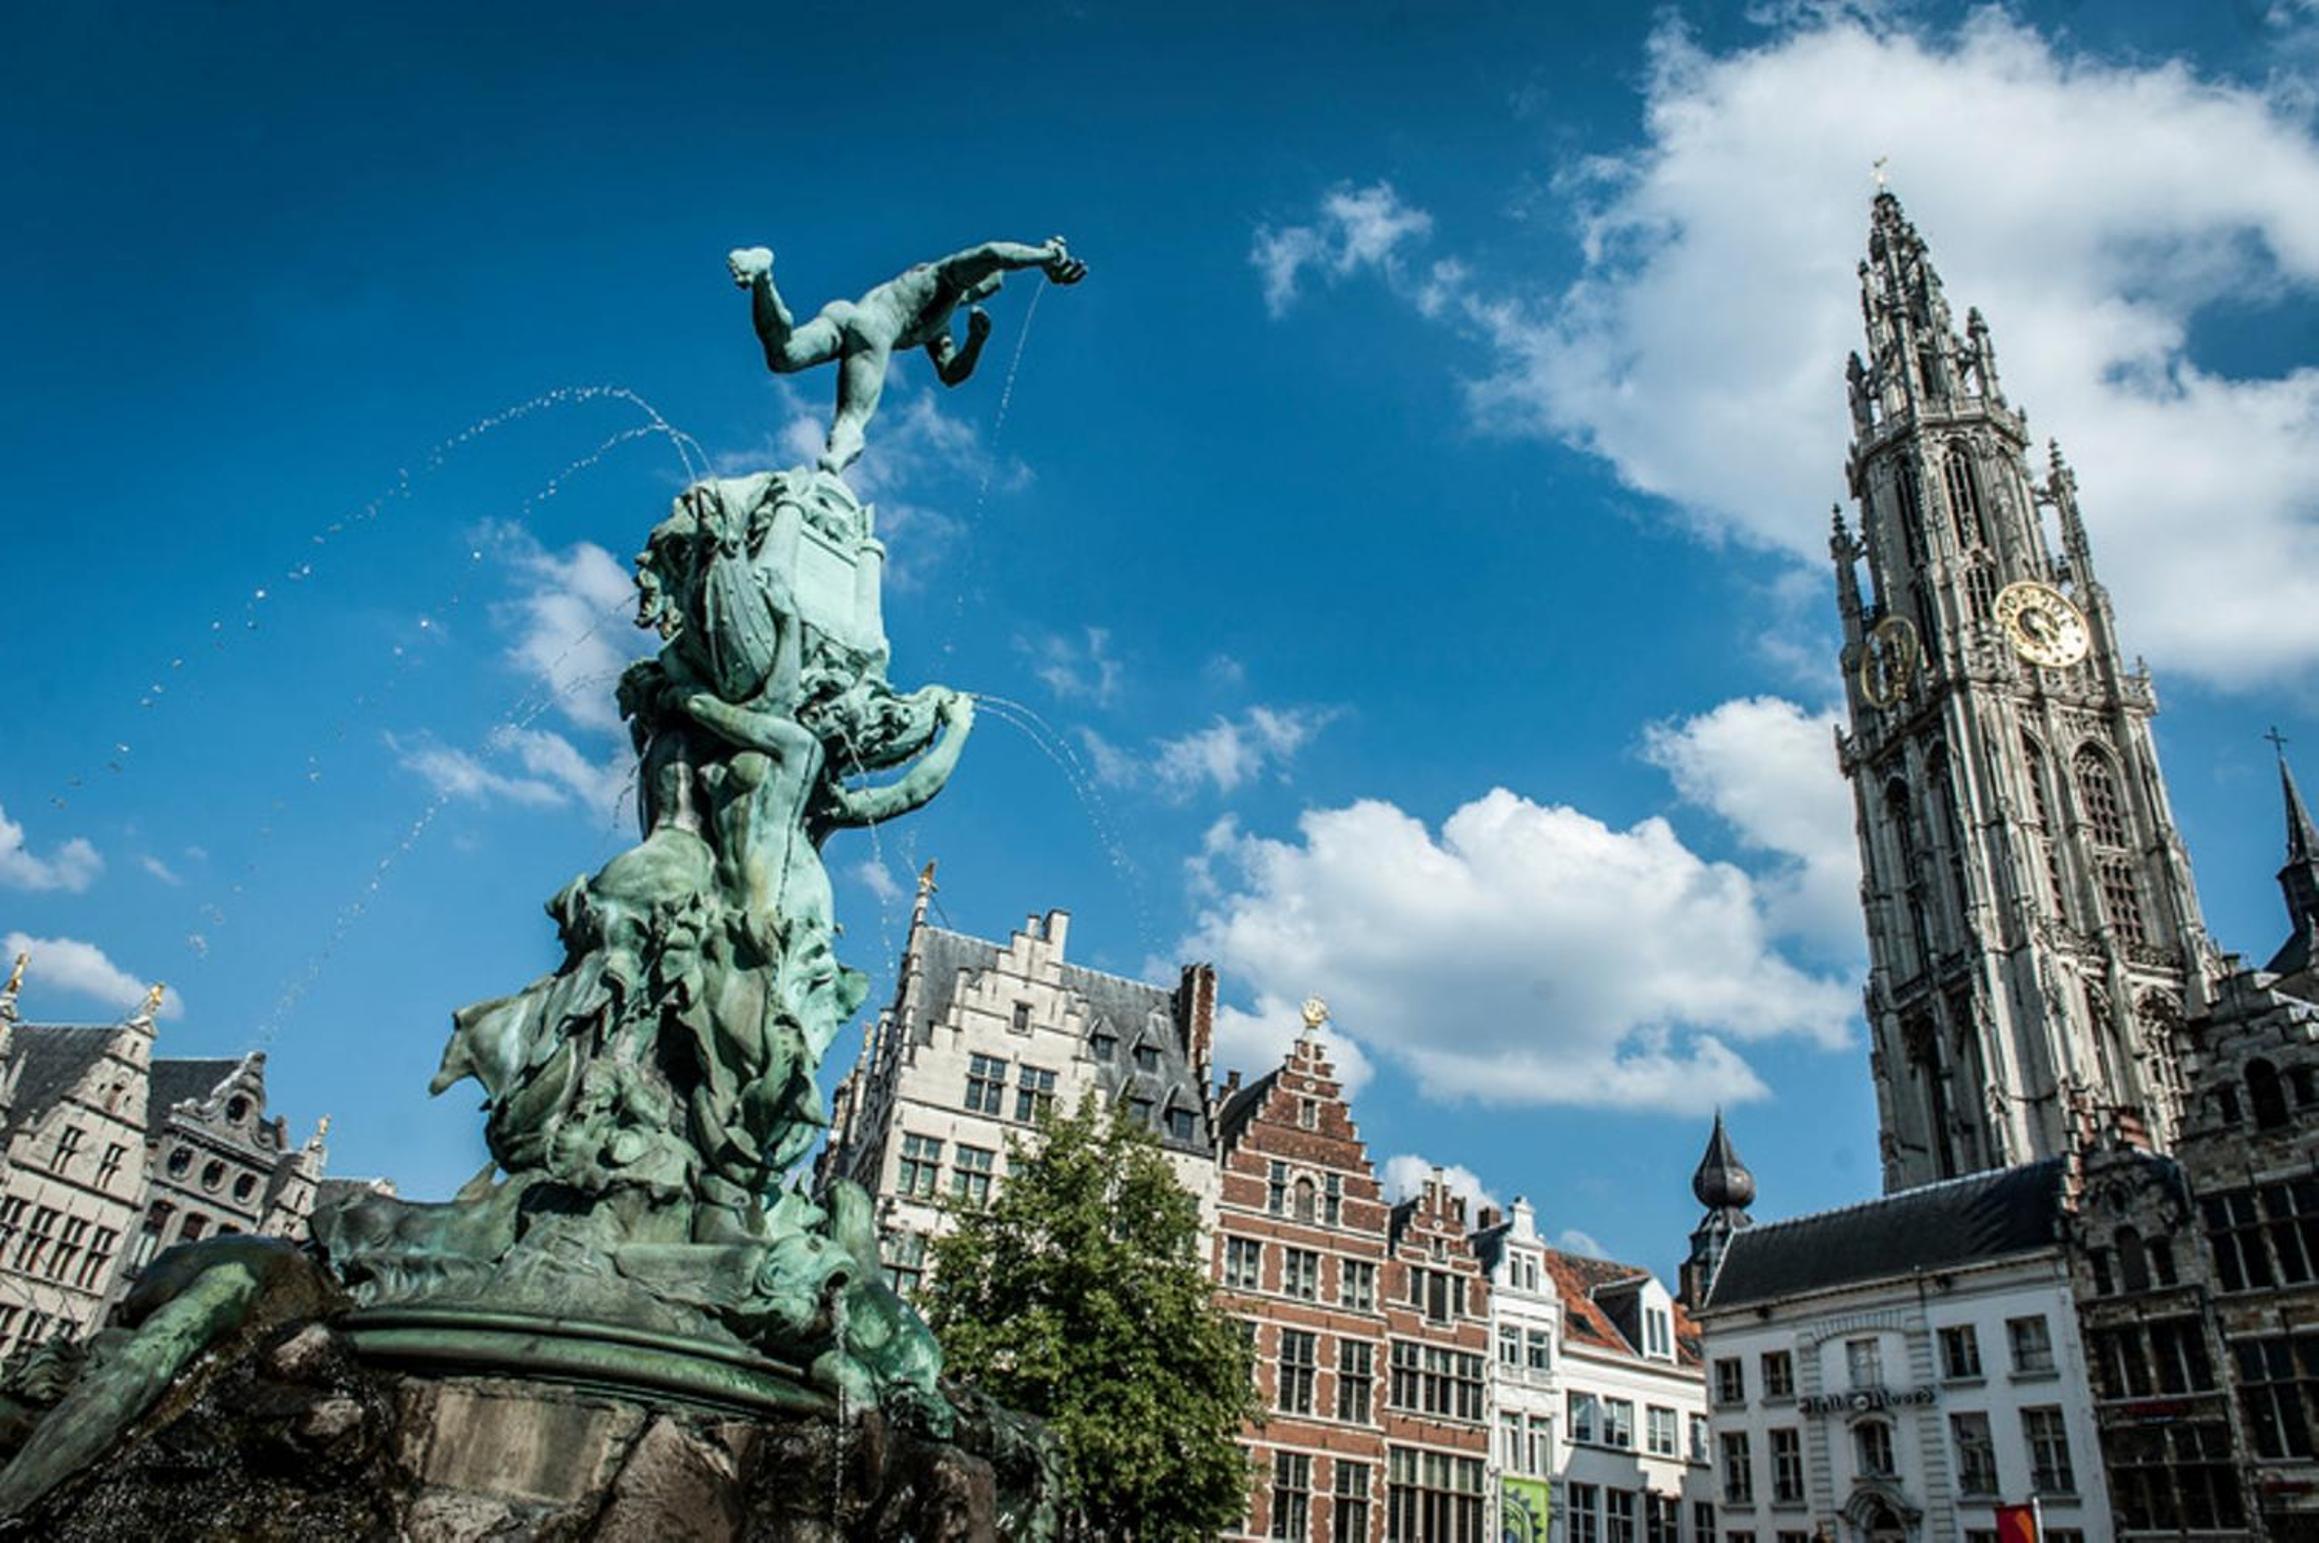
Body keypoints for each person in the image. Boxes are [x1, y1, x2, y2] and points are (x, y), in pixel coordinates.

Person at [727, 237, 1087, 473]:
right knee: (852, 421)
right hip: (875, 330)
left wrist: (976, 342)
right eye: (986, 287)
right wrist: (1045, 257)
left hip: (846, 314)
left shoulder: (940, 323)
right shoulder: (944, 276)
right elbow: (992, 253)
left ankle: (763, 277)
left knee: (784, 355)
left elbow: (951, 373)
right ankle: (830, 474)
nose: (983, 293)